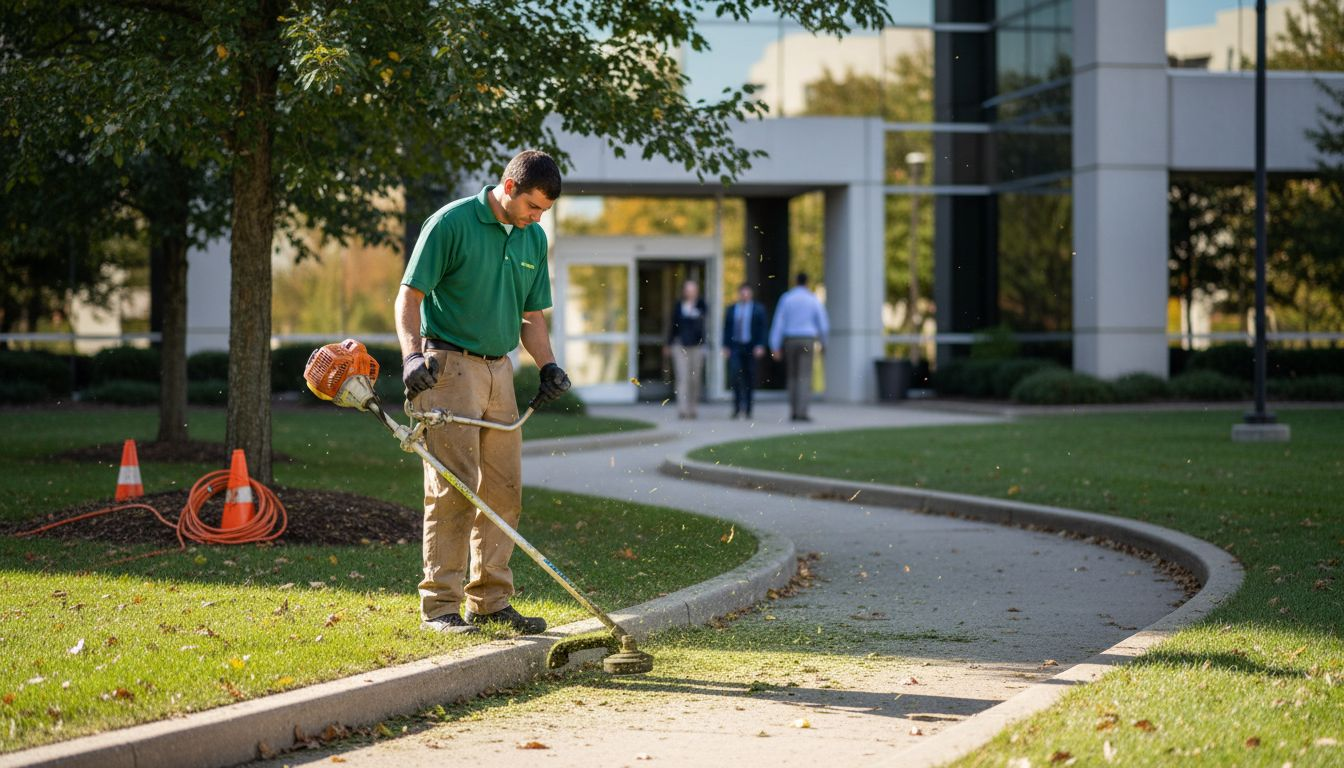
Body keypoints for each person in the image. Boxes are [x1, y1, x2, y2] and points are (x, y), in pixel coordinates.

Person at [395, 149, 571, 636]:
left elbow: (532, 317)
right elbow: (410, 296)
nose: (539, 219)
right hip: (448, 369)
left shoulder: (532, 237)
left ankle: (490, 600)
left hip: (500, 373)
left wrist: (549, 364)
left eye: (545, 213)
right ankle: (440, 606)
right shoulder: (451, 223)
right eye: (534, 207)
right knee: (454, 488)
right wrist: (411, 357)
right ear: (510, 188)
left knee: (503, 490)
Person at [769, 272, 829, 422]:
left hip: (790, 339)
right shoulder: (812, 299)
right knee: (805, 376)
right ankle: (802, 411)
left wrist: (774, 345)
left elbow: (779, 323)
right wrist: (823, 342)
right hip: (807, 339)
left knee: (792, 376)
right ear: (807, 282)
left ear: (795, 282)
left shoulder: (787, 298)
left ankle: (794, 410)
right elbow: (823, 324)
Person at [663, 279, 708, 419]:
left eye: (693, 290)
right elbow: (672, 326)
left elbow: (703, 323)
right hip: (680, 346)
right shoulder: (678, 306)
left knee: (695, 379)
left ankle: (692, 408)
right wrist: (668, 344)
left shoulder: (701, 305)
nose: (690, 293)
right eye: (688, 290)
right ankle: (682, 409)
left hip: (697, 346)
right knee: (682, 377)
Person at [721, 282, 767, 419]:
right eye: (742, 293)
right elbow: (726, 329)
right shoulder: (732, 309)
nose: (744, 295)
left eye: (747, 293)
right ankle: (736, 407)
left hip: (750, 347)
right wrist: (725, 346)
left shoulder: (758, 309)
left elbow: (762, 329)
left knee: (749, 377)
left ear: (750, 294)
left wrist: (761, 345)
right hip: (736, 346)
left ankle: (748, 408)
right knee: (735, 376)